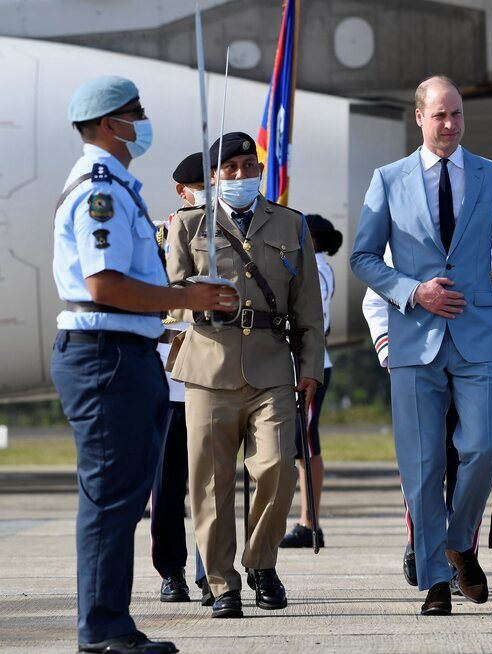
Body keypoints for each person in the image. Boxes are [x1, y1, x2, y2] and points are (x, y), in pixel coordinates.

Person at [52, 76, 235, 654]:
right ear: (111, 123)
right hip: (105, 356)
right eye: (137, 112)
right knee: (112, 498)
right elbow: (103, 283)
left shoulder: (117, 186)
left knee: (123, 497)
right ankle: (104, 632)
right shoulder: (98, 190)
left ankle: (109, 625)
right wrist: (190, 299)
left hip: (122, 355)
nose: (144, 121)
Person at [349, 75, 492, 616]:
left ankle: (458, 542)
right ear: (419, 118)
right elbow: (363, 258)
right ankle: (434, 578)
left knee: (482, 449)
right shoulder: (388, 179)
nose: (450, 125)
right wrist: (414, 291)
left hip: (478, 337)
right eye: (440, 116)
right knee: (423, 464)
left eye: (457, 114)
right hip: (414, 340)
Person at [166, 131, 324, 619]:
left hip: (272, 365)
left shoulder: (292, 224)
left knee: (277, 467)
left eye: (247, 167)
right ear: (212, 178)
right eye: (228, 169)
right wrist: (199, 303)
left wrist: (311, 367)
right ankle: (222, 582)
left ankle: (261, 563)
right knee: (209, 483)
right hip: (209, 367)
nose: (239, 176)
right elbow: (169, 301)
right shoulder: (189, 226)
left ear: (259, 171)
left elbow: (309, 309)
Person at [362, 240, 492, 587]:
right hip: (419, 361)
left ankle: (461, 550)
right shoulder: (404, 235)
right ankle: (420, 541)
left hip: (478, 363)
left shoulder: (490, 239)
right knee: (424, 462)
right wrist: (389, 351)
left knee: (476, 459)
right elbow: (376, 297)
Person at [151, 153, 209, 605]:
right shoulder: (157, 235)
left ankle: (213, 570)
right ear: (182, 191)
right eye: (200, 184)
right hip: (171, 384)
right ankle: (172, 571)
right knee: (168, 486)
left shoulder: (231, 232)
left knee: (213, 482)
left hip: (215, 379)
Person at [280, 214, 343, 548]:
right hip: (306, 365)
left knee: (305, 444)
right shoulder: (314, 267)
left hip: (308, 366)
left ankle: (309, 521)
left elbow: (308, 320)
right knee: (303, 443)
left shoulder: (315, 270)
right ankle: (308, 519)